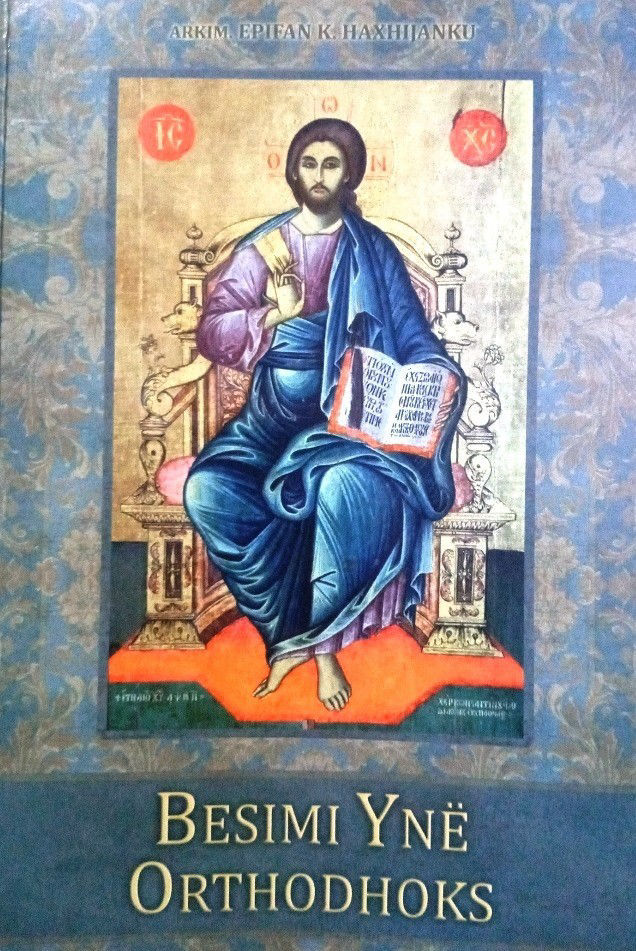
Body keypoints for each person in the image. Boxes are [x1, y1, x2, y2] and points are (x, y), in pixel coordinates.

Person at [184, 118, 465, 711]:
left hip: (350, 428)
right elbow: (212, 331)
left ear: (349, 174)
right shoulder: (265, 248)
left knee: (339, 487)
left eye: (330, 165)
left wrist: (433, 378)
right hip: (268, 425)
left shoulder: (372, 250)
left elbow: (414, 338)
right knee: (209, 490)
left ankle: (323, 648)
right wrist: (275, 316)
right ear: (293, 171)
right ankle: (287, 638)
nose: (318, 175)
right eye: (308, 164)